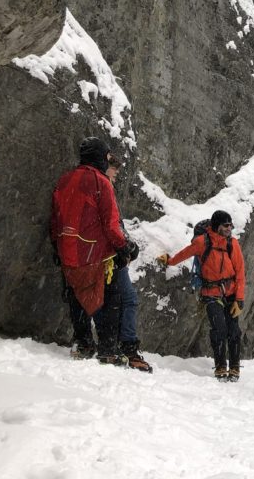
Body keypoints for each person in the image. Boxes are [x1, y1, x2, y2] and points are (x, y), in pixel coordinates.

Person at [51, 136, 129, 364]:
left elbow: (55, 219)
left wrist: (56, 247)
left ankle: (83, 342)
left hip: (69, 251)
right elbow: (111, 223)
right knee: (109, 298)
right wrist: (124, 247)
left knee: (76, 296)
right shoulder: (100, 181)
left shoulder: (65, 180)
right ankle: (107, 349)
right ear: (101, 157)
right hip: (94, 253)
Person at [158, 210, 245, 381]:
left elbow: (240, 272)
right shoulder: (201, 242)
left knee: (234, 331)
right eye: (225, 225)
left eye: (230, 225)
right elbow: (185, 254)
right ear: (216, 226)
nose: (229, 228)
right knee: (219, 329)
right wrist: (169, 261)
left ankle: (234, 367)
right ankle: (221, 366)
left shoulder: (232, 244)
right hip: (211, 293)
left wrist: (239, 300)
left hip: (231, 293)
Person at [104, 155, 152, 373]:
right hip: (110, 254)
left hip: (108, 252)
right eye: (113, 168)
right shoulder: (103, 188)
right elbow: (111, 224)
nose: (116, 173)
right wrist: (125, 247)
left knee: (116, 300)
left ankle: (113, 346)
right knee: (126, 299)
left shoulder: (102, 187)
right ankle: (124, 348)